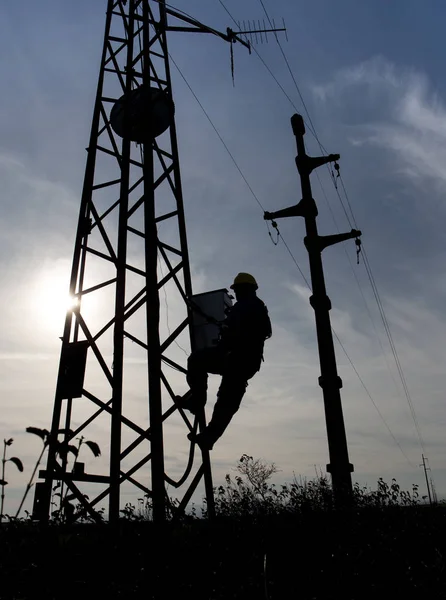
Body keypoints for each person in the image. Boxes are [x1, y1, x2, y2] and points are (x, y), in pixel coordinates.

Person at [182, 272, 272, 451]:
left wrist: (229, 332)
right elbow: (266, 332)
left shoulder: (244, 307)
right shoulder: (258, 307)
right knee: (227, 401)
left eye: (237, 290)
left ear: (243, 290)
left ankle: (197, 400)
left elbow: (234, 332)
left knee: (197, 360)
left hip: (235, 358)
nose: (236, 294)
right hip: (247, 363)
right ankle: (209, 437)